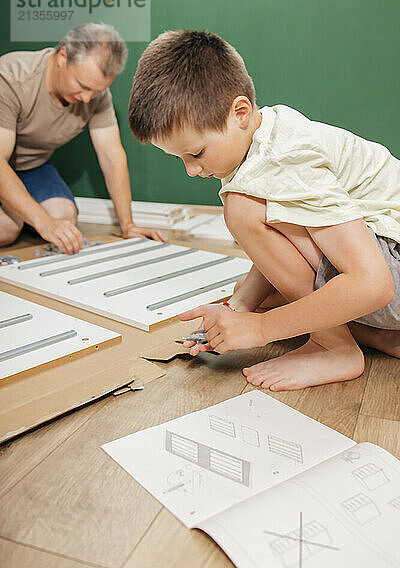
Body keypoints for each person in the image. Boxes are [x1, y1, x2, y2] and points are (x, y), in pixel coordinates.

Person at [128, 29, 400, 391]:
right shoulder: (269, 135)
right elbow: (294, 227)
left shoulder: (283, 159)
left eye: (195, 153)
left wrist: (259, 330)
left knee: (242, 211)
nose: (192, 170)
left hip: (389, 273)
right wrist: (238, 308)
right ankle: (376, 335)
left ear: (239, 112)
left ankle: (334, 348)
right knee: (259, 296)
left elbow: (373, 284)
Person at [0, 22, 165, 254]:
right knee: (6, 229)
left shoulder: (96, 96)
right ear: (62, 56)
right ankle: (19, 219)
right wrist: (43, 222)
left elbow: (111, 156)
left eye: (96, 91)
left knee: (63, 217)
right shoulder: (11, 79)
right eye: (82, 86)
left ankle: (22, 216)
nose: (88, 99)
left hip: (30, 168)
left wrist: (128, 225)